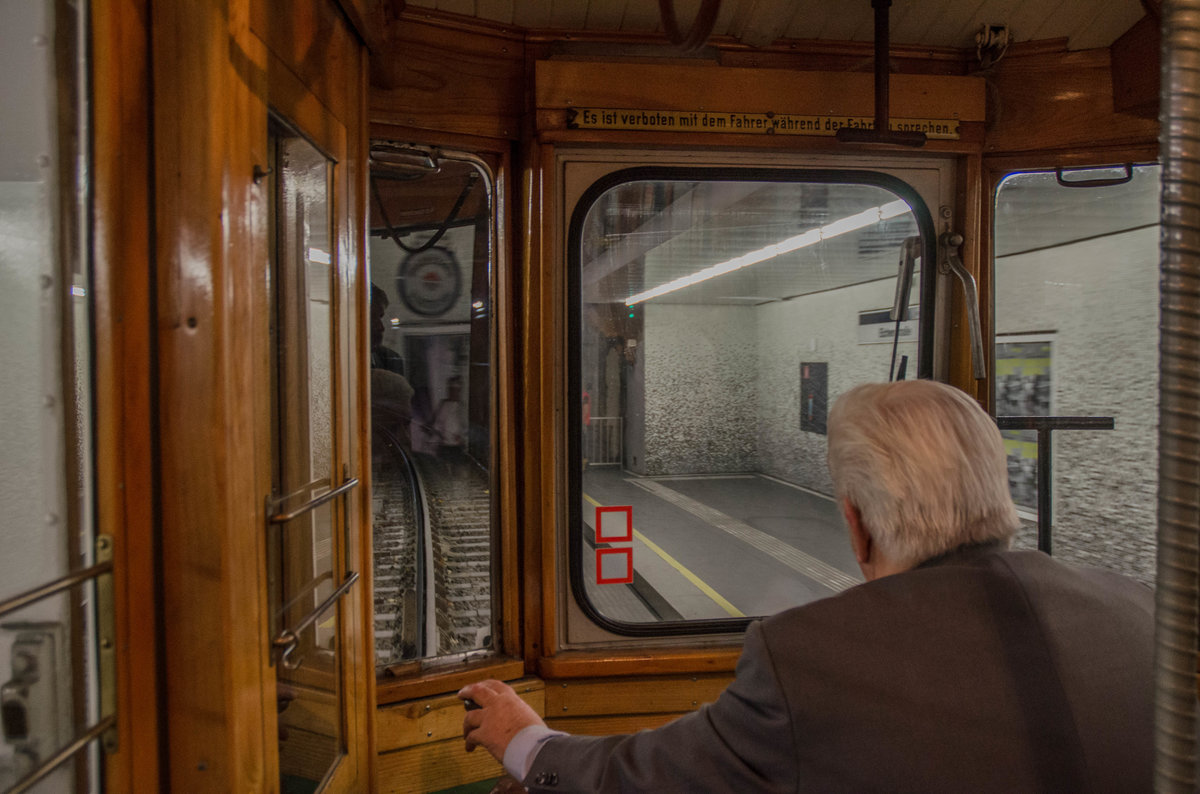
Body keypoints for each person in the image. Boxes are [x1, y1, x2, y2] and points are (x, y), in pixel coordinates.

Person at [459, 380, 1153, 793]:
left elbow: (656, 778)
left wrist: (528, 743)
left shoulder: (810, 658)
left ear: (857, 525)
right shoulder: (1142, 616)